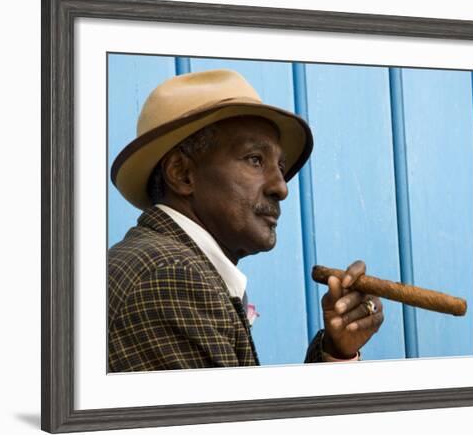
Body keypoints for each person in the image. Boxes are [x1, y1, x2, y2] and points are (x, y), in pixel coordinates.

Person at [108, 69, 384, 371]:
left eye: (280, 166)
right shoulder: (170, 276)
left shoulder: (170, 264)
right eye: (255, 159)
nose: (281, 187)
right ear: (181, 173)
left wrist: (336, 352)